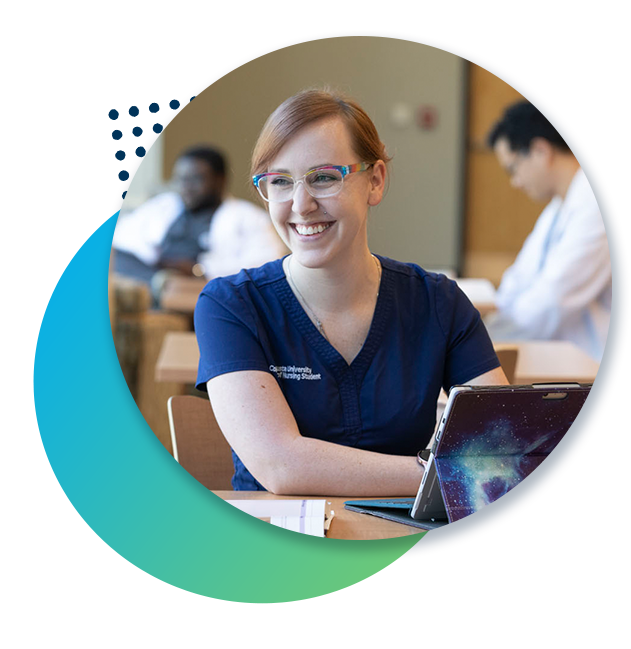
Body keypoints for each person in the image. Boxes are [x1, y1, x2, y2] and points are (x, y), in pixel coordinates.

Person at [194, 89, 507, 496]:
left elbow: (501, 446)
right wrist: (441, 474)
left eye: (324, 177)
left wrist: (471, 467)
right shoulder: (230, 305)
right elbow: (280, 466)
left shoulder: (437, 303)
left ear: (374, 182)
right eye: (280, 182)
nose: (301, 204)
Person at [485, 101, 611, 362]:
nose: (515, 182)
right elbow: (518, 280)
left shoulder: (599, 205)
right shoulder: (560, 206)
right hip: (565, 356)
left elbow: (551, 303)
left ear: (541, 151)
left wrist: (481, 337)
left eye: (513, 168)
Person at [112, 145, 287, 293]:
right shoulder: (164, 205)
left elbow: (269, 263)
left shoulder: (248, 217)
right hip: (155, 271)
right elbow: (122, 238)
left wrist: (198, 270)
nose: (186, 187)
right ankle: (161, 286)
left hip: (196, 282)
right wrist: (156, 260)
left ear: (220, 180)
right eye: (181, 179)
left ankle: (164, 290)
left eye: (196, 179)